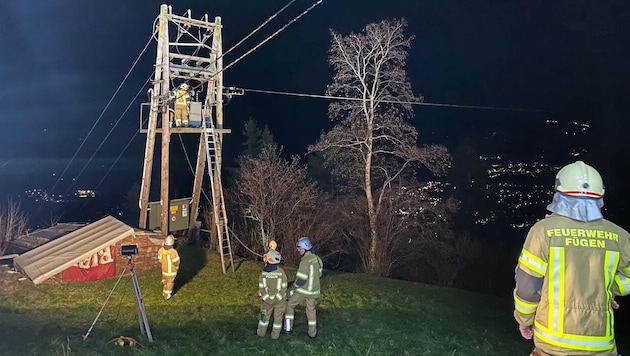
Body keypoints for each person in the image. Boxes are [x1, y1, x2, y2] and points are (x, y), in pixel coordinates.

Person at [513, 161, 630, 356]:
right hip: (601, 344)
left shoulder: (544, 231)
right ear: (600, 195)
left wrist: (524, 320)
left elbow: (528, 286)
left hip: (552, 344)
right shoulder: (618, 236)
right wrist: (607, 290)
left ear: (559, 192)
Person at [284, 236, 323, 338]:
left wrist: (294, 287)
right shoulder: (317, 259)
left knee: (290, 305)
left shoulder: (305, 261)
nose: (298, 250)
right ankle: (312, 333)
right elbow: (319, 273)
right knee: (311, 311)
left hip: (303, 291)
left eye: (300, 248)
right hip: (314, 291)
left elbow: (301, 280)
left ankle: (288, 329)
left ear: (305, 248)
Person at [257, 249, 288, 339]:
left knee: (263, 316)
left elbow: (262, 288)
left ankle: (260, 333)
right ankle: (275, 335)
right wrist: (276, 299)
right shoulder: (281, 272)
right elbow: (284, 287)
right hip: (280, 300)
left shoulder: (263, 273)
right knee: (278, 318)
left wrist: (268, 299)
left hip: (266, 301)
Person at [158, 235, 180, 300]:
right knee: (170, 282)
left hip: (164, 270)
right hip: (171, 271)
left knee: (166, 281)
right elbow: (176, 261)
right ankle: (167, 295)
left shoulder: (161, 250)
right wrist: (177, 267)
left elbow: (160, 259)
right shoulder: (173, 252)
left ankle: (164, 292)